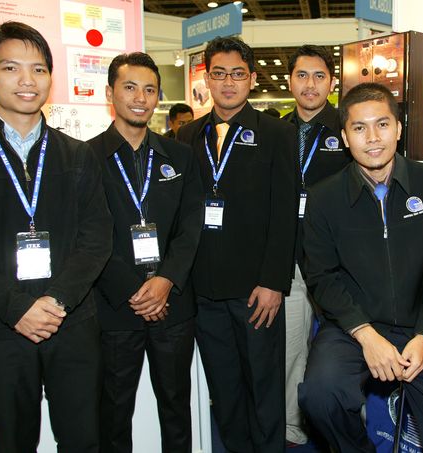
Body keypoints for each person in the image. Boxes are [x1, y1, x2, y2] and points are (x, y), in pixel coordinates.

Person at [0, 21, 112, 452]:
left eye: (39, 69)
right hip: (0, 328)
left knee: (84, 440)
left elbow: (96, 237)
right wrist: (18, 308)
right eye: (11, 68)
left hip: (72, 323)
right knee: (13, 441)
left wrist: (57, 301)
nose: (27, 80)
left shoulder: (77, 155)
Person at [299, 82, 423, 452]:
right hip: (353, 326)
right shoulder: (324, 197)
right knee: (320, 395)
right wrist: (366, 335)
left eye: (382, 124)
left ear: (398, 128)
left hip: (421, 327)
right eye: (359, 128)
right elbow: (321, 277)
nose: (372, 138)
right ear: (345, 137)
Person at [176, 36, 298, 453]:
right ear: (206, 79)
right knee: (224, 390)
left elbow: (285, 213)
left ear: (252, 79)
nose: (228, 83)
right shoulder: (187, 135)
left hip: (256, 291)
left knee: (264, 387)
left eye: (237, 74)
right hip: (204, 289)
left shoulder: (277, 133)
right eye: (219, 74)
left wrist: (274, 281)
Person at [88, 52, 204, 453]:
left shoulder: (180, 156)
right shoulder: (85, 158)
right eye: (130, 87)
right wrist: (134, 291)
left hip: (173, 305)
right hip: (115, 307)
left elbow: (191, 225)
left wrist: (165, 280)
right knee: (113, 412)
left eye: (150, 89)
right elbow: (89, 235)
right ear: (110, 93)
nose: (141, 98)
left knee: (176, 407)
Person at [281, 44, 352, 446]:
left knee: (346, 347)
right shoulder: (276, 132)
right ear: (290, 81)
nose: (310, 84)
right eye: (302, 75)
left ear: (332, 82)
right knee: (291, 347)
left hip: (338, 262)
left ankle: (346, 425)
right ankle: (293, 425)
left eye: (319, 76)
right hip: (290, 260)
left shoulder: (348, 127)